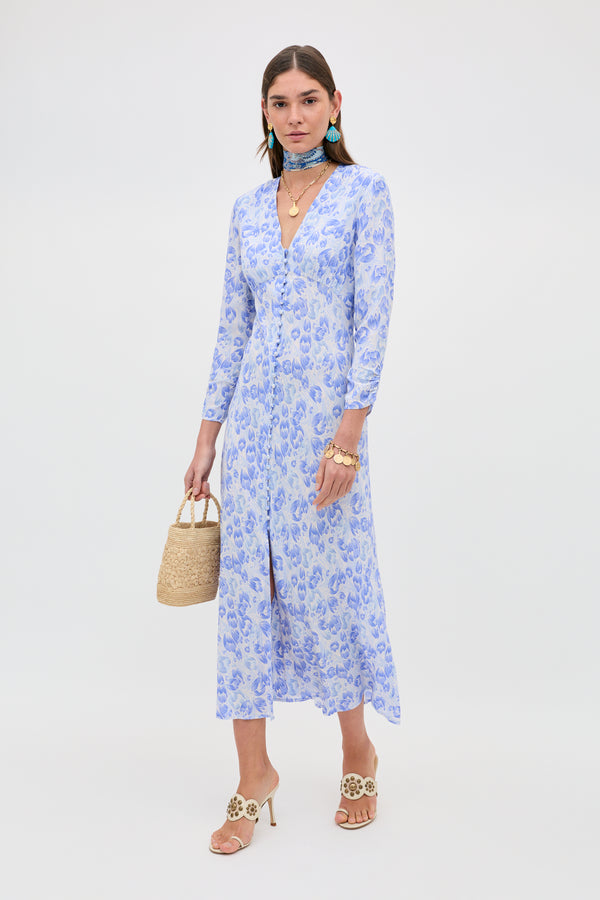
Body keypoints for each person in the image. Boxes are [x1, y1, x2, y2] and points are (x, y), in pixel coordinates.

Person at [184, 44, 401, 854]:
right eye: (281, 102)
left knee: (326, 591)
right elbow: (232, 328)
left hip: (324, 440)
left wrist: (350, 433)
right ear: (265, 113)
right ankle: (254, 778)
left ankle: (357, 750)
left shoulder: (364, 194)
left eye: (310, 99)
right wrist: (207, 435)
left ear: (336, 104)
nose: (297, 115)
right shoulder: (248, 209)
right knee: (248, 597)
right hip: (253, 442)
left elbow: (372, 317)